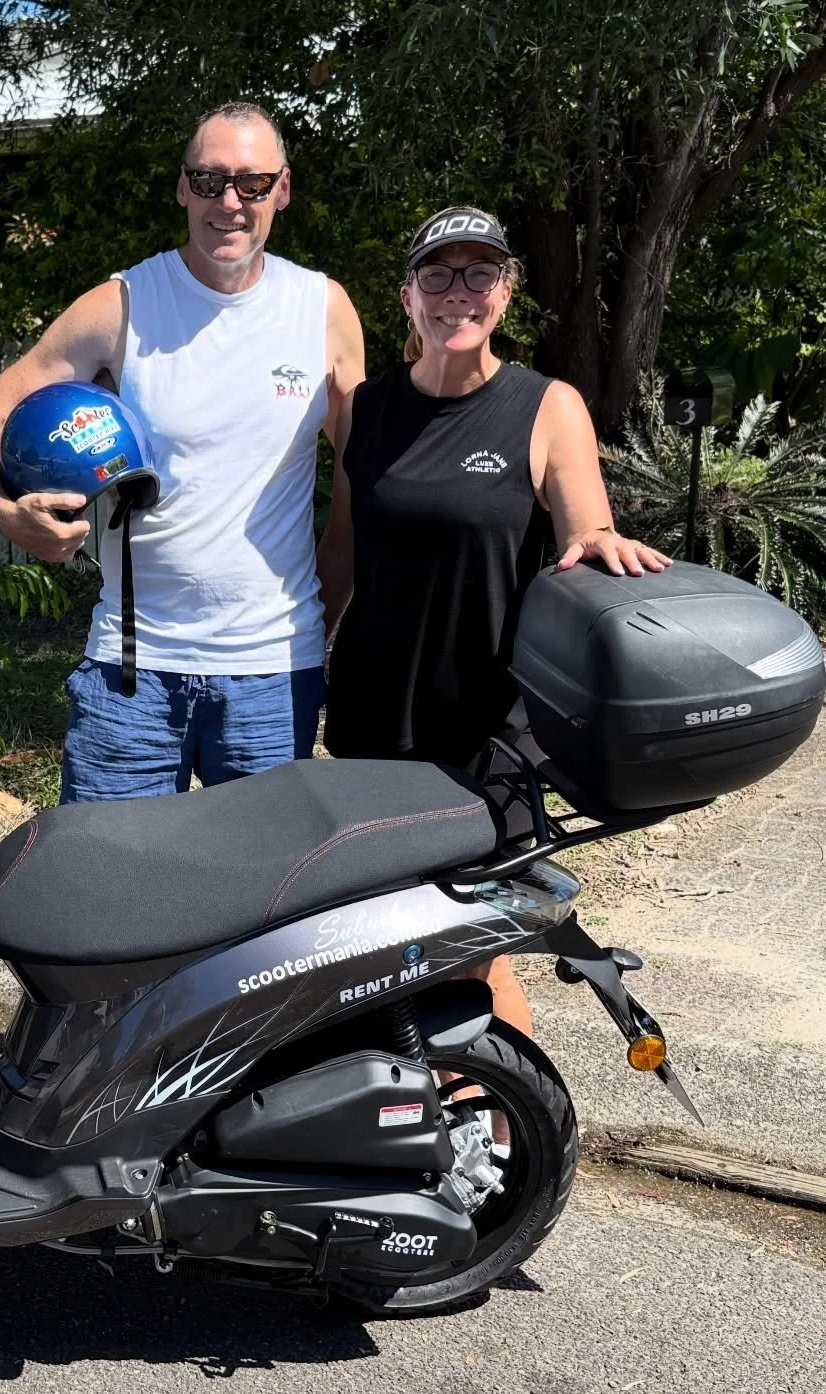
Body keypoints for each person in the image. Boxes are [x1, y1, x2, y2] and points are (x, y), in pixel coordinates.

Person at [315, 205, 670, 1040]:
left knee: (473, 945)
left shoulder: (546, 406)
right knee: (373, 937)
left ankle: (511, 1133)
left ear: (505, 294)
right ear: (407, 296)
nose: (457, 293)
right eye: (437, 274)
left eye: (479, 273)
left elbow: (585, 528)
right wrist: (298, 667)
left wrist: (600, 541)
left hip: (486, 732)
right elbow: (341, 553)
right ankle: (396, 1119)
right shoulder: (365, 412)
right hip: (371, 719)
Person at [0, 101, 365, 803]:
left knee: (263, 899)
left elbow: (365, 474)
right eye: (208, 181)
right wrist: (5, 511)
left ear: (283, 190)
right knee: (110, 891)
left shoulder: (321, 309)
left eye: (252, 183)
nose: (229, 202)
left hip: (272, 672)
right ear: (182, 188)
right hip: (133, 671)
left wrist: (332, 604)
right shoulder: (125, 304)